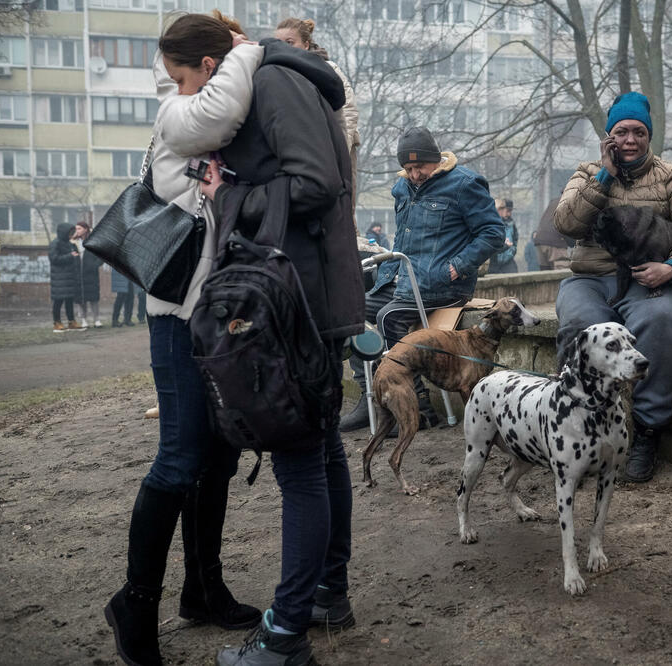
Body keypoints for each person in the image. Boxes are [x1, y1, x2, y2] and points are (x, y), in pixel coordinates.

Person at [103, 15, 264, 666]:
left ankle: (203, 588)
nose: (170, 86)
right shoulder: (181, 113)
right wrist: (247, 54)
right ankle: (134, 602)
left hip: (217, 314)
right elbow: (220, 113)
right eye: (173, 76)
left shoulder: (206, 98)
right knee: (179, 457)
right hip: (176, 314)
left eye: (178, 73)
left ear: (202, 62)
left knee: (219, 455)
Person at [204, 32, 365, 666]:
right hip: (305, 296)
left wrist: (229, 197)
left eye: (189, 82)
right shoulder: (280, 82)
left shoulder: (274, 82)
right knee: (321, 454)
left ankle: (285, 635)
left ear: (215, 64)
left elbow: (316, 184)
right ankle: (327, 594)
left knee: (302, 465)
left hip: (302, 304)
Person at [554, 91, 672, 483]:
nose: (630, 140)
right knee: (580, 322)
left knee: (660, 320)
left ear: (648, 136)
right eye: (622, 132)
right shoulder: (586, 173)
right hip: (591, 279)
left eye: (639, 132)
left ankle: (646, 431)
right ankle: (571, 423)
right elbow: (567, 224)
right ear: (609, 136)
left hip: (649, 280)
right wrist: (604, 175)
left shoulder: (670, 176)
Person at [339, 126, 505, 432]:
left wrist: (457, 266)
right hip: (402, 280)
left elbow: (494, 233)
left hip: (443, 285)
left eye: (420, 167)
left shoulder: (464, 184)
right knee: (351, 311)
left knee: (388, 317)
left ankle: (418, 407)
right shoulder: (402, 188)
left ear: (436, 160)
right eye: (408, 168)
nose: (415, 174)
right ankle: (370, 398)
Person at [274, 16, 361, 229]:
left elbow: (347, 116)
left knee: (337, 218)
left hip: (332, 156)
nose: (284, 48)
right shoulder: (276, 74)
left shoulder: (327, 70)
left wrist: (337, 156)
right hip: (299, 157)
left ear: (305, 44)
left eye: (290, 42)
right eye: (279, 43)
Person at [48, 222, 84, 332]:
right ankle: (57, 323)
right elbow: (54, 259)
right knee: (58, 301)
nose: (71, 235)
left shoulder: (70, 244)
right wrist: (70, 256)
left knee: (69, 300)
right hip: (59, 278)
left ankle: (71, 322)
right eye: (70, 233)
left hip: (69, 277)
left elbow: (75, 257)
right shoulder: (55, 243)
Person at [72, 219, 104, 328]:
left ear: (86, 229)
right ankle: (84, 320)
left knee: (93, 298)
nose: (77, 231)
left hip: (91, 275)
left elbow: (101, 256)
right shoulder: (73, 242)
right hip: (78, 275)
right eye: (76, 229)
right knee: (81, 299)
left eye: (79, 228)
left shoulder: (93, 240)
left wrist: (94, 265)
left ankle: (96, 320)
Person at [534, 195, 573, 270]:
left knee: (545, 276)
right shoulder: (571, 202)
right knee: (561, 274)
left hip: (540, 241)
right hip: (555, 243)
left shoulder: (554, 201)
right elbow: (570, 225)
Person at [488, 198, 519, 273]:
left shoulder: (512, 224)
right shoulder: (491, 223)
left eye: (511, 211)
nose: (509, 214)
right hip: (494, 261)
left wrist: (512, 250)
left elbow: (515, 239)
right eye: (507, 211)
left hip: (508, 261)